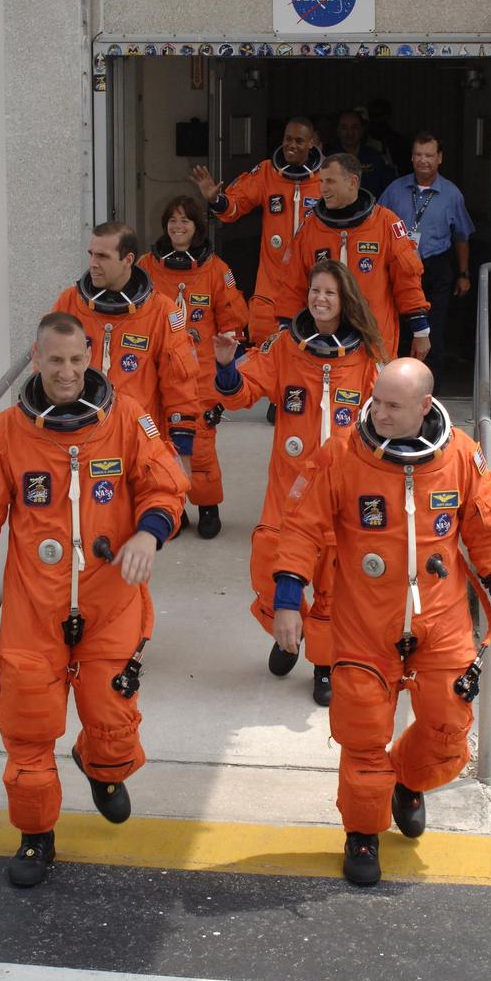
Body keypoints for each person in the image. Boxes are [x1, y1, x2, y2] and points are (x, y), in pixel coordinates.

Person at [0, 313, 188, 887]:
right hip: (34, 611)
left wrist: (148, 533)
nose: (67, 372)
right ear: (37, 359)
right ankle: (35, 837)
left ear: (89, 357)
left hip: (111, 602)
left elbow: (164, 484)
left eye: (76, 360)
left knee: (114, 724)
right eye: (55, 361)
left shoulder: (127, 420)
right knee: (27, 727)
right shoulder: (7, 433)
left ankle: (101, 766)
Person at [272, 358, 491, 886]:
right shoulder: (342, 455)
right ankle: (362, 833)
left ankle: (408, 781)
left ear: (425, 407)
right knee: (362, 734)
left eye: (392, 405)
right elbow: (300, 531)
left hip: (442, 620)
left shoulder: (460, 456)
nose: (378, 412)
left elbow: (487, 533)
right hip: (365, 622)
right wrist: (288, 599)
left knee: (448, 725)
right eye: (376, 401)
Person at [213, 260, 385, 707]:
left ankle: (324, 666)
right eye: (314, 291)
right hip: (288, 491)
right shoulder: (286, 346)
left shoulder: (366, 356)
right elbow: (241, 394)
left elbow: (385, 419)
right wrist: (227, 366)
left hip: (341, 494)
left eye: (329, 292)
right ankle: (288, 625)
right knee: (268, 567)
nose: (319, 299)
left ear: (345, 300)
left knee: (331, 585)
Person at [51, 222, 201, 482]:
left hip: (137, 443)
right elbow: (47, 373)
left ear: (128, 259)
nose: (93, 263)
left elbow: (180, 387)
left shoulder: (161, 312)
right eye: (91, 254)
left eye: (102, 256)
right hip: (79, 440)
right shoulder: (70, 303)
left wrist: (181, 457)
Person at [138, 195, 248, 539]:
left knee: (199, 443)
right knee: (161, 441)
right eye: (172, 220)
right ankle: (173, 507)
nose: (178, 227)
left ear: (197, 228)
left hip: (199, 372)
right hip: (157, 368)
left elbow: (232, 320)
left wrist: (226, 362)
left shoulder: (216, 270)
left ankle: (207, 505)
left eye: (185, 221)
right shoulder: (146, 266)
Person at [279, 152, 431, 362]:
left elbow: (407, 279)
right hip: (322, 344)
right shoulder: (310, 228)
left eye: (330, 181)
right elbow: (293, 284)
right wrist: (286, 330)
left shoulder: (385, 224)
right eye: (321, 181)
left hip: (374, 343)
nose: (323, 189)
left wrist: (420, 330)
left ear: (353, 182)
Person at [190, 117, 322, 346]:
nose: (291, 145)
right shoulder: (267, 173)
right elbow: (233, 208)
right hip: (272, 287)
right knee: (265, 354)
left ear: (312, 143)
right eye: (288, 139)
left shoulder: (325, 177)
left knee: (310, 357)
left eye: (299, 141)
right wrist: (215, 199)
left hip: (314, 284)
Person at [379, 132, 475, 392]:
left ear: (439, 158)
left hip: (435, 268)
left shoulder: (452, 194)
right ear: (411, 157)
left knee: (432, 331)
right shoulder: (394, 190)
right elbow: (374, 229)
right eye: (419, 155)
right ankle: (397, 389)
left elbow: (461, 236)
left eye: (429, 155)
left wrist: (464, 273)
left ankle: (430, 394)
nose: (423, 161)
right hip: (398, 269)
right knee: (399, 330)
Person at [336, 109, 393, 197]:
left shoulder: (374, 157)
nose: (349, 133)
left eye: (354, 127)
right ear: (338, 131)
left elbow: (388, 190)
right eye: (344, 128)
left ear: (362, 130)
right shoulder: (329, 158)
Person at [366, 98, 410, 183]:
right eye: (374, 116)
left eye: (380, 115)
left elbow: (405, 169)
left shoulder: (397, 142)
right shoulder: (361, 140)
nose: (377, 120)